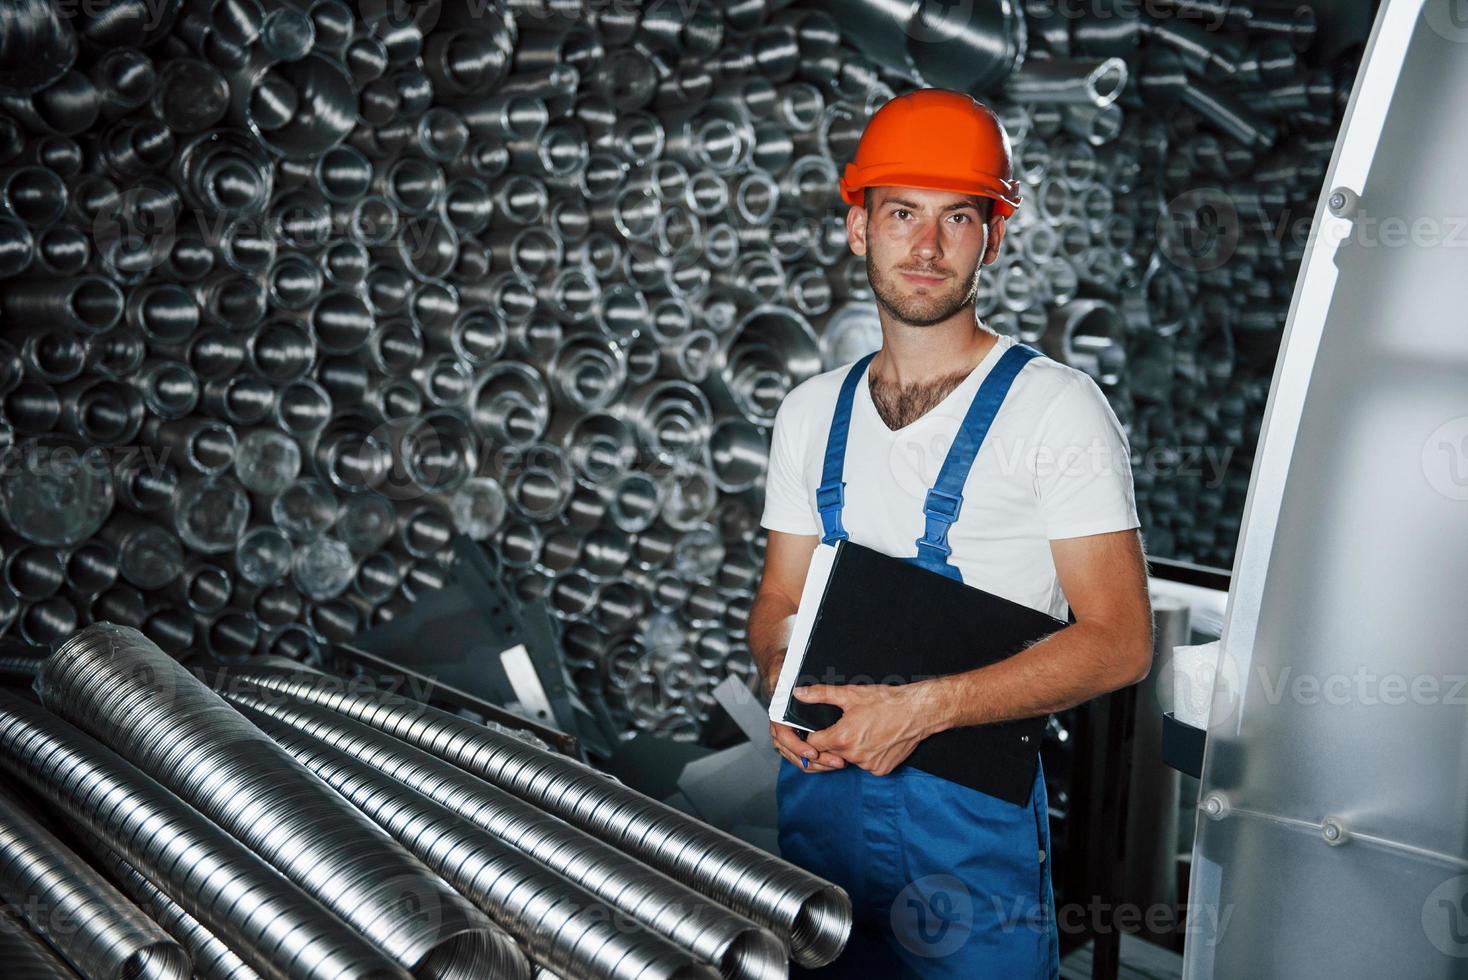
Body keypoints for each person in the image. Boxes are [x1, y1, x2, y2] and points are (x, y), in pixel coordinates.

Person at [749, 88, 1155, 978]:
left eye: (956, 218)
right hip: (818, 811)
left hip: (967, 835)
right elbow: (779, 598)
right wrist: (783, 681)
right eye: (901, 214)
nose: (925, 247)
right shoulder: (809, 412)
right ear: (860, 228)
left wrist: (922, 710)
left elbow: (1121, 644)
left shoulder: (1059, 411)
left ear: (992, 237)